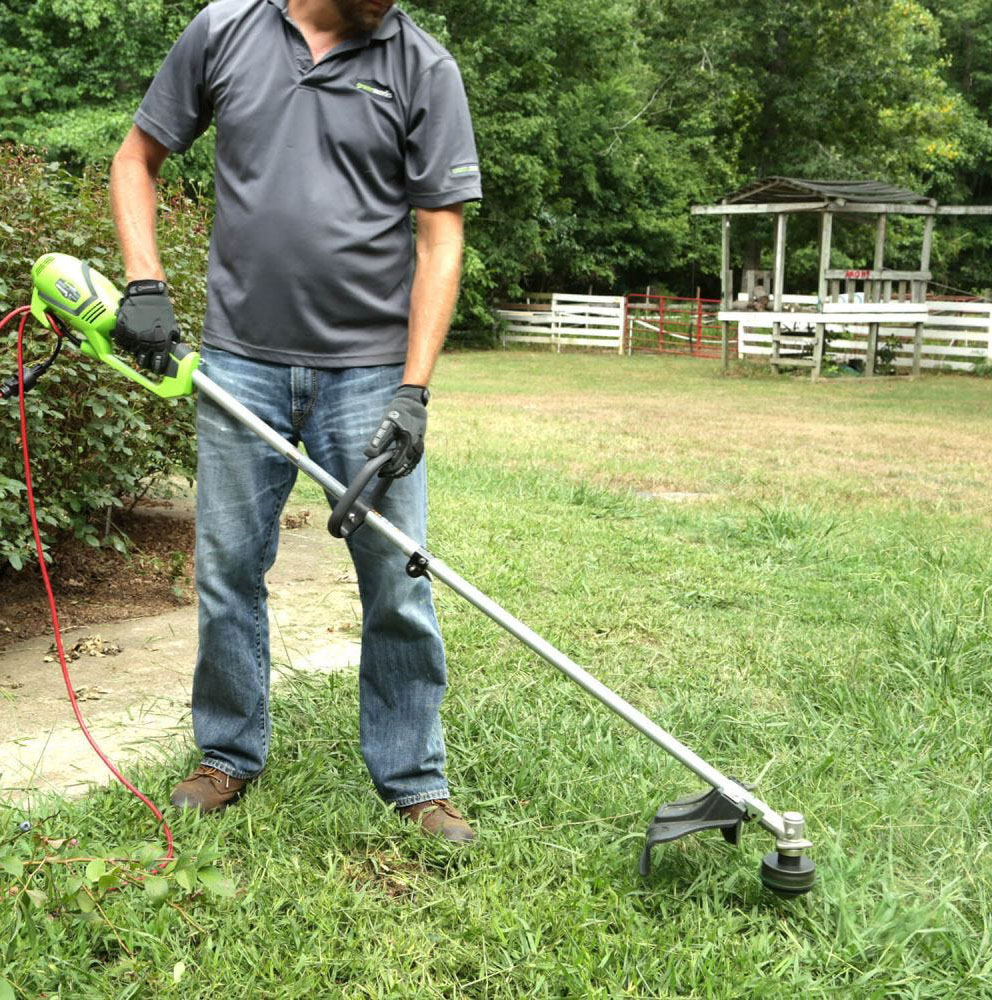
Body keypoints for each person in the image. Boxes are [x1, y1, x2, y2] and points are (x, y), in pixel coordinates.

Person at [109, 0, 482, 842]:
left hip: (370, 375)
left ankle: (414, 778)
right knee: (228, 570)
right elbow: (136, 158)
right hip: (241, 362)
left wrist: (413, 391)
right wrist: (144, 282)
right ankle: (229, 754)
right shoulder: (222, 31)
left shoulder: (424, 67)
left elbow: (440, 238)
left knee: (398, 578)